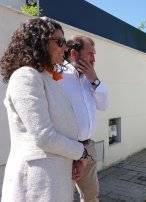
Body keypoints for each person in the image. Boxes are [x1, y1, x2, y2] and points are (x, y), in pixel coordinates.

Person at [0, 17, 88, 201]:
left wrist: (75, 159)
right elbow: (44, 136)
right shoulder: (26, 76)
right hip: (36, 184)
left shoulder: (46, 77)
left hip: (54, 179)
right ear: (38, 42)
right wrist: (81, 153)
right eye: (60, 42)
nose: (65, 48)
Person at [58, 35, 108, 202]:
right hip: (65, 150)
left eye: (94, 54)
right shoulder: (58, 76)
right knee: (64, 197)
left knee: (91, 196)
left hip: (88, 147)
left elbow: (103, 104)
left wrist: (94, 80)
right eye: (90, 53)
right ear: (73, 53)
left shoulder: (90, 79)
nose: (93, 58)